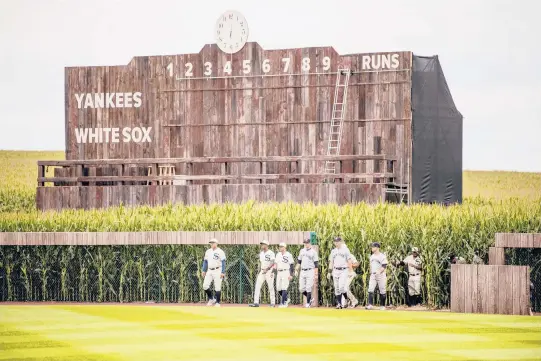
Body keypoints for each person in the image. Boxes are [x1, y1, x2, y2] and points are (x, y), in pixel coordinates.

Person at [327, 237, 353, 309]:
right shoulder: (333, 251)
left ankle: (346, 299)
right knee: (337, 288)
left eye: (338, 241)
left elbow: (349, 260)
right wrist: (329, 272)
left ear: (341, 242)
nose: (336, 243)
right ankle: (339, 304)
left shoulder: (346, 250)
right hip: (335, 270)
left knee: (341, 287)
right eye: (335, 241)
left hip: (343, 270)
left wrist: (350, 271)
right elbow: (331, 262)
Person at [250, 240, 276, 307]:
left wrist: (267, 269)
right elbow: (261, 263)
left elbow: (272, 262)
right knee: (257, 286)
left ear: (267, 245)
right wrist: (260, 271)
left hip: (269, 271)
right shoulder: (261, 253)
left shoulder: (271, 253)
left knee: (270, 287)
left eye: (263, 244)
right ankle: (256, 303)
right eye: (261, 244)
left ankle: (273, 303)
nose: (262, 245)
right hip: (262, 271)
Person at [295, 238, 319, 308]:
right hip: (302, 271)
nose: (306, 244)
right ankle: (311, 298)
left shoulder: (313, 252)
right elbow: (299, 262)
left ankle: (308, 303)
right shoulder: (302, 251)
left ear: (309, 243)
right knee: (301, 288)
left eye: (307, 243)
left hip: (310, 270)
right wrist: (296, 270)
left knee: (308, 288)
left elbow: (316, 264)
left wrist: (316, 274)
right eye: (305, 243)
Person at [202, 238, 226, 307]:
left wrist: (223, 272)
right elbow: (205, 261)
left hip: (218, 270)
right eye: (211, 243)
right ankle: (211, 299)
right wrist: (204, 270)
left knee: (217, 287)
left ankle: (217, 302)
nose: (212, 244)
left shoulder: (220, 251)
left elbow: (223, 262)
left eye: (213, 243)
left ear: (216, 243)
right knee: (205, 285)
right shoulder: (208, 251)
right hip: (209, 270)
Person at [365, 242, 388, 310]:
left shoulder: (382, 256)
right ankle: (370, 304)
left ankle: (383, 306)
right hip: (373, 275)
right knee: (370, 289)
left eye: (373, 247)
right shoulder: (372, 256)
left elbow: (384, 265)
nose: (372, 248)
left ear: (377, 248)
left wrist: (379, 271)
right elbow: (371, 266)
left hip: (381, 275)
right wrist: (371, 273)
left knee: (382, 290)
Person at [275, 242, 294, 308]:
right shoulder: (278, 254)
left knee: (284, 287)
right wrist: (272, 271)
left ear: (285, 247)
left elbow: (291, 265)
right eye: (280, 246)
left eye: (281, 246)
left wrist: (291, 275)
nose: (280, 247)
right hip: (279, 272)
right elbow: (276, 264)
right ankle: (286, 299)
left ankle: (283, 303)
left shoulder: (289, 255)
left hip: (286, 272)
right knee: (278, 288)